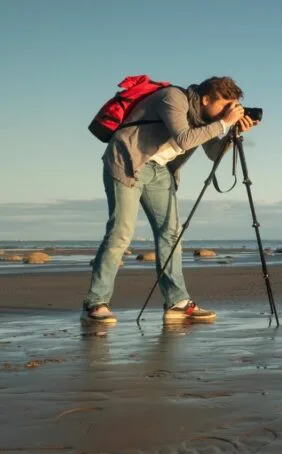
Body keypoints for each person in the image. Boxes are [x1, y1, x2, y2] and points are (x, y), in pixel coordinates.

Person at [81, 76, 259, 325]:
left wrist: (232, 132)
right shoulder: (174, 98)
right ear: (206, 99)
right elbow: (183, 138)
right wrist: (223, 124)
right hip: (127, 160)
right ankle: (96, 303)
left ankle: (177, 302)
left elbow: (213, 153)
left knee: (171, 233)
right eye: (225, 105)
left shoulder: (206, 119)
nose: (228, 112)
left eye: (232, 107)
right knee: (120, 233)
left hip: (159, 169)